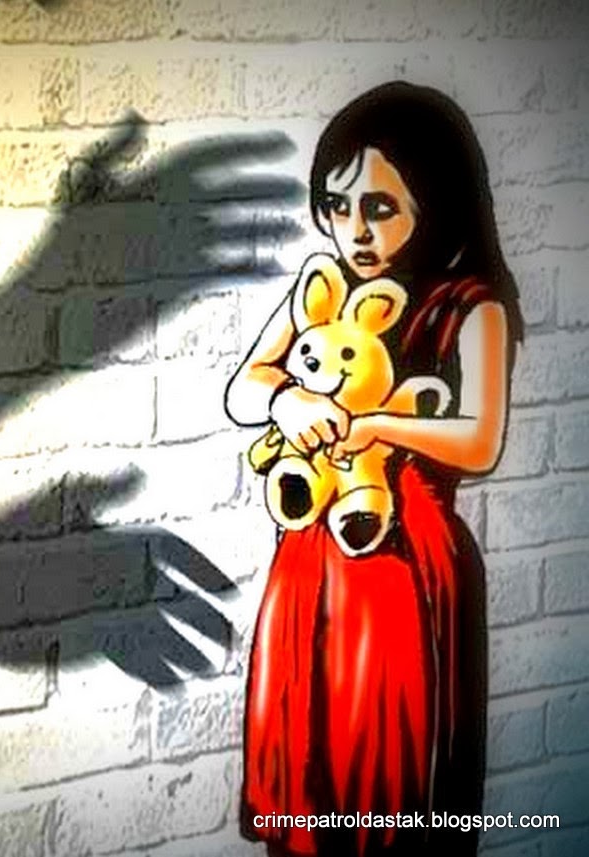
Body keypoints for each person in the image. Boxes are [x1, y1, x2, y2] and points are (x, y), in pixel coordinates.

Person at [224, 81, 524, 856]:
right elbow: (244, 387)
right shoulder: (324, 292)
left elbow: (480, 440)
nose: (352, 228)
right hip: (313, 558)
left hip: (406, 562)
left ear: (435, 198)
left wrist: (376, 425)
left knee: (395, 789)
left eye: (379, 207)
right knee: (313, 775)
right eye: (336, 205)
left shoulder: (471, 304)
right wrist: (287, 399)